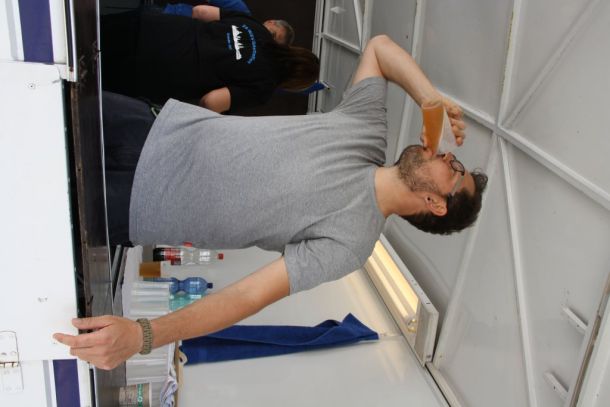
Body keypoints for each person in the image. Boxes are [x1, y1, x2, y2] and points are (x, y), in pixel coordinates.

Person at [54, 35, 488, 370]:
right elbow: (378, 48)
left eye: (455, 169)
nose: (447, 155)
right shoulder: (366, 129)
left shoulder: (352, 242)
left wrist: (143, 336)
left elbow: (248, 295)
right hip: (150, 127)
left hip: (137, 203)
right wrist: (428, 97)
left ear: (435, 203)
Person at [100, 5, 317, 112]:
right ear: (294, 83)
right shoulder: (262, 88)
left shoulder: (257, 28)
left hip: (156, 29)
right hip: (158, 72)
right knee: (93, 75)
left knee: (90, 32)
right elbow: (211, 102)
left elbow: (200, 11)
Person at [164, 1, 295, 45]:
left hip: (177, 45)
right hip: (172, 16)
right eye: (272, 35)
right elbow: (201, 11)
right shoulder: (241, 10)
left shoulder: (246, 54)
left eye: (272, 43)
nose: (267, 39)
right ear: (270, 22)